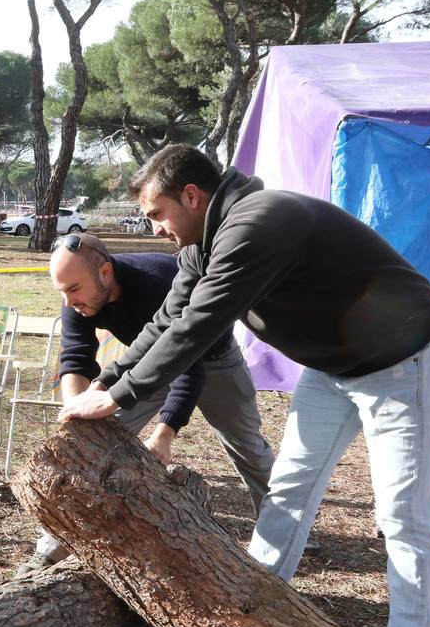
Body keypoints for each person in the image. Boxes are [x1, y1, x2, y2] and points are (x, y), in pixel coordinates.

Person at [60, 144, 430, 627]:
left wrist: (118, 397)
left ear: (193, 196)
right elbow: (168, 317)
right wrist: (109, 382)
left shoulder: (256, 225)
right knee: (287, 494)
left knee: (402, 518)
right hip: (333, 367)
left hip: (401, 361)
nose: (156, 229)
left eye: (160, 213)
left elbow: (200, 326)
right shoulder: (200, 240)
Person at [14, 231, 274, 577]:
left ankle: (282, 531)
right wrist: (76, 415)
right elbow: (75, 358)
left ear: (105, 273)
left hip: (213, 359)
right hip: (144, 367)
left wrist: (165, 434)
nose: (68, 302)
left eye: (73, 290)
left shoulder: (157, 284)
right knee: (92, 444)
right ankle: (50, 549)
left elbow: (188, 366)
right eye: (61, 292)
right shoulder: (75, 295)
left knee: (248, 447)